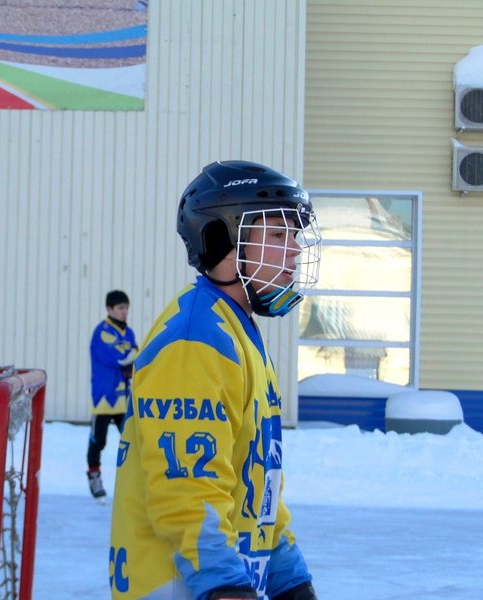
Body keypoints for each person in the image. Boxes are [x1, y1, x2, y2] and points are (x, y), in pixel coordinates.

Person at [109, 161, 322, 600]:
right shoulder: (195, 339)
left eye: (295, 236)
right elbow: (187, 486)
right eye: (279, 236)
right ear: (222, 240)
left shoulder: (233, 329)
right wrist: (226, 587)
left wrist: (289, 577)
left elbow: (256, 479)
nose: (296, 250)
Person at [87, 290, 138, 500]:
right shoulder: (102, 332)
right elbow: (119, 358)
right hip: (104, 397)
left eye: (126, 307)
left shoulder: (128, 333)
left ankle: (134, 481)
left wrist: (129, 357)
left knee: (132, 440)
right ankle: (94, 477)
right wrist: (129, 357)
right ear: (109, 309)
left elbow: (134, 354)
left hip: (123, 397)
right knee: (98, 440)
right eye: (120, 308)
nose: (124, 312)